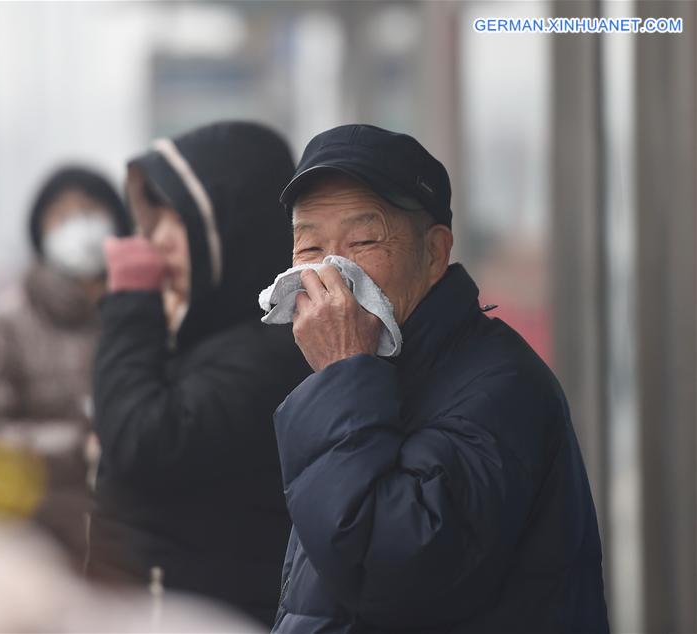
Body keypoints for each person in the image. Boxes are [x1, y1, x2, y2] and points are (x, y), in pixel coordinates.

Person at [270, 124, 609, 632]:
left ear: (434, 253)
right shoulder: (377, 371)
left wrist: (343, 369)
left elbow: (384, 566)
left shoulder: (500, 387)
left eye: (363, 241)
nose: (333, 273)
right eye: (309, 249)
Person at [88, 121, 311, 626]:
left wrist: (129, 304)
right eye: (151, 223)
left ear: (233, 227)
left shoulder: (271, 352)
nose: (155, 242)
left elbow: (143, 436)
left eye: (175, 220)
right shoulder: (206, 339)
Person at [0, 166, 130, 499]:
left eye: (89, 210)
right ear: (40, 230)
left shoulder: (144, 311)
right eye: (62, 215)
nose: (79, 226)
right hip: (43, 521)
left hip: (134, 523)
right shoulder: (7, 323)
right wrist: (79, 446)